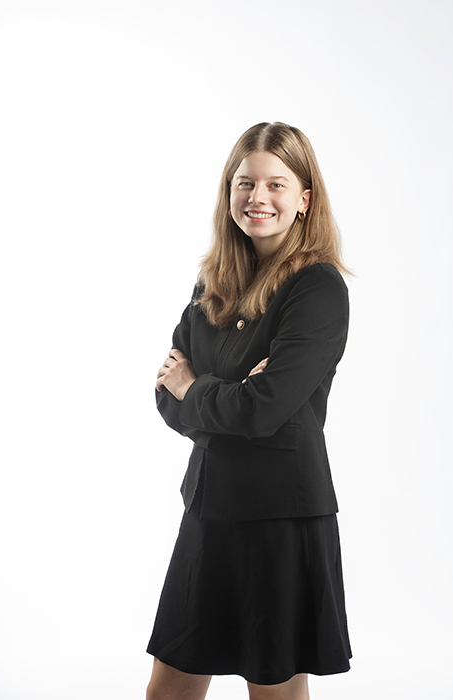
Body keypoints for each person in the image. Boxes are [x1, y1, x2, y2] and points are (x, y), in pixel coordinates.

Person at [146, 122, 352, 700]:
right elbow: (166, 396)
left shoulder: (318, 289)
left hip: (279, 518)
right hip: (209, 508)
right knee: (168, 687)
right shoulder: (211, 283)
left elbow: (263, 410)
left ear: (304, 199)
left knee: (275, 691)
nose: (258, 198)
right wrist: (217, 392)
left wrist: (198, 387)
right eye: (245, 183)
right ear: (228, 192)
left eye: (277, 184)